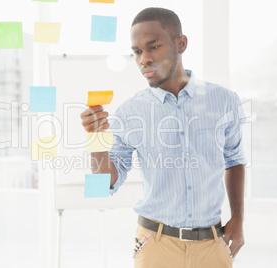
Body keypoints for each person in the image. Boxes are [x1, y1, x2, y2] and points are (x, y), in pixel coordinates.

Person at [80, 7, 246, 268]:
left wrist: (238, 217)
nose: (144, 58)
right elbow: (104, 186)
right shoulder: (130, 112)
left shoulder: (224, 100)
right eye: (137, 51)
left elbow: (234, 159)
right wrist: (96, 139)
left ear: (181, 44)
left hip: (213, 245)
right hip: (155, 246)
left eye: (153, 46)